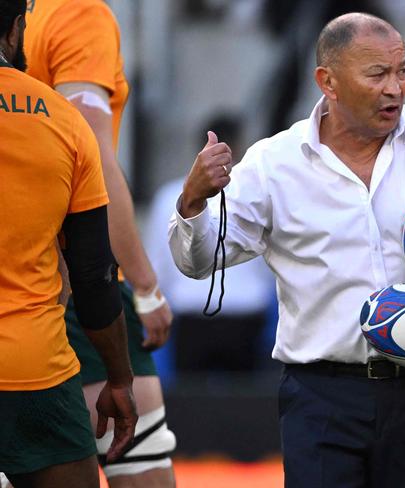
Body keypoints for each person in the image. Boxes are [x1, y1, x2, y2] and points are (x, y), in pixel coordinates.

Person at [169, 12, 405, 487]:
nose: (395, 88)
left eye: (401, 70)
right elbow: (200, 261)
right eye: (377, 74)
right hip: (320, 395)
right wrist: (193, 200)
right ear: (328, 82)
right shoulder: (274, 163)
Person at [23, 1, 176, 486]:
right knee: (139, 465)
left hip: (18, 279)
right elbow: (89, 153)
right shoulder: (75, 13)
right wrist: (147, 285)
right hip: (66, 284)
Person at [0, 1, 137, 487]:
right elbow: (94, 274)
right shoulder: (61, 118)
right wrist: (119, 378)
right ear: (16, 30)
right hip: (36, 372)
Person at [146, 114, 277, 374]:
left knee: (191, 407)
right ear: (239, 147)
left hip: (192, 314)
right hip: (246, 313)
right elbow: (270, 262)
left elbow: (157, 266)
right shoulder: (257, 194)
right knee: (248, 407)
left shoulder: (168, 196)